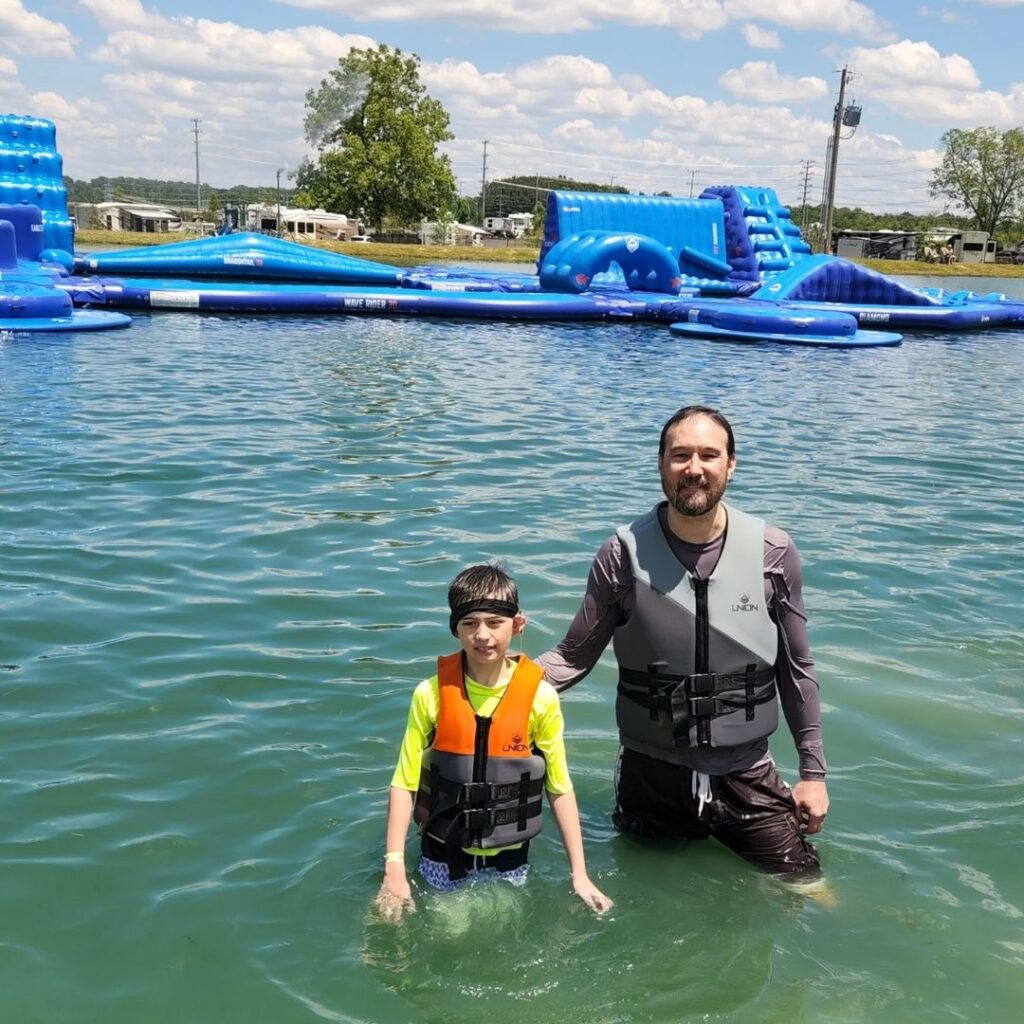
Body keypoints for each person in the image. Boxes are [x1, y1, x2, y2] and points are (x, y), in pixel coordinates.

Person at [536, 406, 829, 878]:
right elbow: (571, 657)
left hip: (747, 773)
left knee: (807, 889)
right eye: (680, 455)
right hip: (649, 776)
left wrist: (813, 776)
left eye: (709, 455)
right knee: (645, 898)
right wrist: (491, 680)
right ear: (660, 464)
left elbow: (797, 669)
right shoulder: (620, 555)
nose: (694, 468)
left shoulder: (772, 553)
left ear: (731, 464)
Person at [376, 564, 614, 922]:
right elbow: (404, 782)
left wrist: (579, 874)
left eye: (494, 622)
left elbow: (559, 787)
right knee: (447, 932)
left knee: (507, 927)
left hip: (510, 858)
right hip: (442, 853)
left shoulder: (541, 698)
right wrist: (393, 866)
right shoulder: (430, 695)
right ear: (455, 627)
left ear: (517, 624)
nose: (482, 635)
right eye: (469, 623)